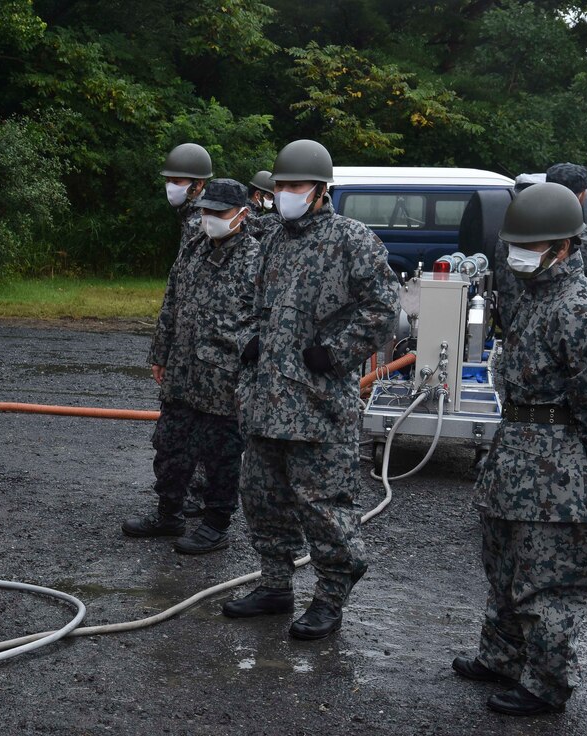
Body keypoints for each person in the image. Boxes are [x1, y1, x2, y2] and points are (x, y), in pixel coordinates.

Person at [452, 182, 587, 716]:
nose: (518, 255)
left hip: (557, 468)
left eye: (531, 245)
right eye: (515, 245)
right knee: (502, 565)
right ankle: (502, 656)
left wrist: (576, 457)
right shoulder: (535, 296)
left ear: (565, 246)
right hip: (513, 455)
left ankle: (546, 684)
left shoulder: (581, 307)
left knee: (550, 581)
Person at [225, 139, 398, 640]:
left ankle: (329, 597)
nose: (284, 194)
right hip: (266, 402)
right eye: (279, 186)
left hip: (317, 406)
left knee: (324, 508)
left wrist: (337, 351)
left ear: (321, 190)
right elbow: (251, 305)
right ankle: (275, 585)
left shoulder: (353, 239)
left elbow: (383, 309)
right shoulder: (274, 239)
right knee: (262, 498)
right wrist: (251, 344)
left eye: (295, 186)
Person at [121, 179, 259, 553]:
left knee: (221, 455)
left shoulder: (256, 260)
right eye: (206, 211)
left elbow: (267, 322)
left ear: (242, 215)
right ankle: (169, 513)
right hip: (182, 373)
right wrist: (160, 354)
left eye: (219, 213)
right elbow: (171, 304)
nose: (210, 218)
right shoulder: (193, 250)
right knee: (169, 445)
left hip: (224, 380)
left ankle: (216, 525)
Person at [496, 164, 587, 334]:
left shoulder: (515, 224)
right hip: (555, 333)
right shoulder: (571, 235)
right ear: (581, 196)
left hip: (517, 333)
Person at [161, 142, 215, 516]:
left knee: (196, 427)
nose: (171, 188)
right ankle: (190, 498)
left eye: (178, 181)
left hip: (203, 352)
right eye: (169, 181)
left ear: (197, 186)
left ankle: (193, 500)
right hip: (186, 349)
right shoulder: (190, 220)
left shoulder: (203, 223)